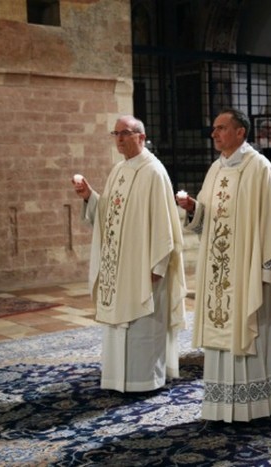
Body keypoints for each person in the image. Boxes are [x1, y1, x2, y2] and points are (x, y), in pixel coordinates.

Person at [177, 108, 271, 424]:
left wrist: (265, 271)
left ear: (240, 132)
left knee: (258, 331)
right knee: (222, 332)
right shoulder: (215, 170)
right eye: (214, 128)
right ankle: (223, 406)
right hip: (220, 274)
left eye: (221, 128)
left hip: (251, 271)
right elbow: (205, 222)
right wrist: (193, 209)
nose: (214, 133)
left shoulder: (259, 168)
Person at [72, 115, 187, 393]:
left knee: (143, 326)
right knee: (119, 321)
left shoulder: (154, 172)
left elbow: (163, 225)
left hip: (143, 266)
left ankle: (145, 380)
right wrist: (89, 196)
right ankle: (117, 378)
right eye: (116, 134)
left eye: (125, 133)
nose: (119, 139)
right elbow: (107, 214)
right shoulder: (118, 171)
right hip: (119, 265)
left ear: (141, 137)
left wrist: (157, 266)